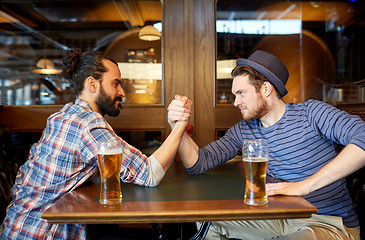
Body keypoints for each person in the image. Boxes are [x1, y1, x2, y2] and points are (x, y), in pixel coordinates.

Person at [167, 50, 365, 239]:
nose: (236, 102)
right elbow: (199, 163)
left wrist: (303, 186)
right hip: (279, 217)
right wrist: (179, 127)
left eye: (241, 93)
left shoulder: (312, 113)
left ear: (266, 89)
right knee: (206, 222)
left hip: (329, 222)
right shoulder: (244, 130)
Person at [0, 49, 191, 239]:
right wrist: (180, 125)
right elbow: (149, 174)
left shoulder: (63, 115)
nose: (122, 92)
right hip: (41, 234)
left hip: (15, 227)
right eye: (116, 83)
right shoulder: (88, 124)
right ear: (92, 84)